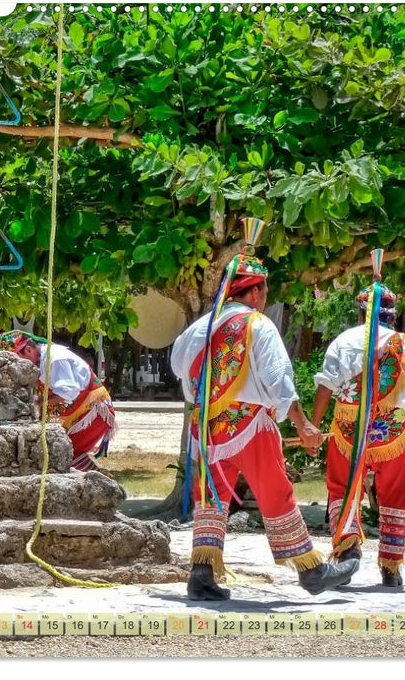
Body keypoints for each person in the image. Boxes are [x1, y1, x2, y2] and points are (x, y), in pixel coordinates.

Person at [170, 218, 358, 601]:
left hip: (208, 428)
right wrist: (304, 425)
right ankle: (311, 570)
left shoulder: (200, 328)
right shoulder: (259, 325)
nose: (266, 295)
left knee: (212, 497)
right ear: (254, 293)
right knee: (276, 493)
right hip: (251, 425)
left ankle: (202, 572)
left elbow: (179, 369)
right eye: (265, 288)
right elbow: (279, 382)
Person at [311, 271, 405, 588]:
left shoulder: (344, 341)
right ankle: (391, 568)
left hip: (348, 434)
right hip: (391, 434)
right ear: (392, 315)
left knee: (342, 488)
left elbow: (326, 386)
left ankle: (347, 553)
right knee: (395, 495)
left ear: (360, 313)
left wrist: (313, 426)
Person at [0, 330, 115, 471]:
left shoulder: (55, 359)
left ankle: (101, 485)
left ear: (28, 350)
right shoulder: (41, 360)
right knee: (55, 450)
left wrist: (39, 401)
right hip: (77, 413)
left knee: (61, 449)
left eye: (18, 360)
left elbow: (69, 393)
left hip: (92, 413)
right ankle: (97, 482)